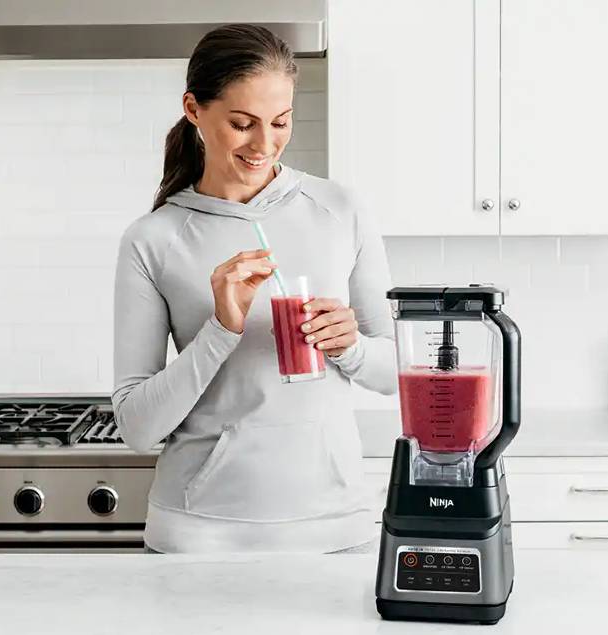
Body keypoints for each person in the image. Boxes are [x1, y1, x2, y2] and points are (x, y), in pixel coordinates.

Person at [112, 24, 397, 554]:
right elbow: (136, 426)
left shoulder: (339, 211)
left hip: (335, 527)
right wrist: (221, 330)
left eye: (280, 122)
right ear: (194, 110)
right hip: (198, 535)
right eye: (242, 124)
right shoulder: (153, 239)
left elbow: (394, 375)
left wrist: (350, 347)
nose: (263, 144)